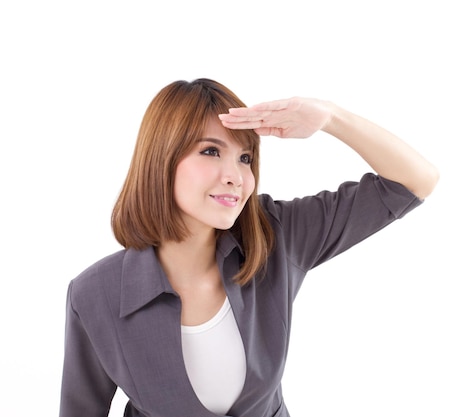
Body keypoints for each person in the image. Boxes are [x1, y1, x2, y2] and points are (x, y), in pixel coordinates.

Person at [59, 78, 439, 417]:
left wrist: (330, 117)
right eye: (210, 151)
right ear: (161, 159)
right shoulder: (95, 295)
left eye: (245, 158)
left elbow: (415, 181)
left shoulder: (276, 236)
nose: (236, 177)